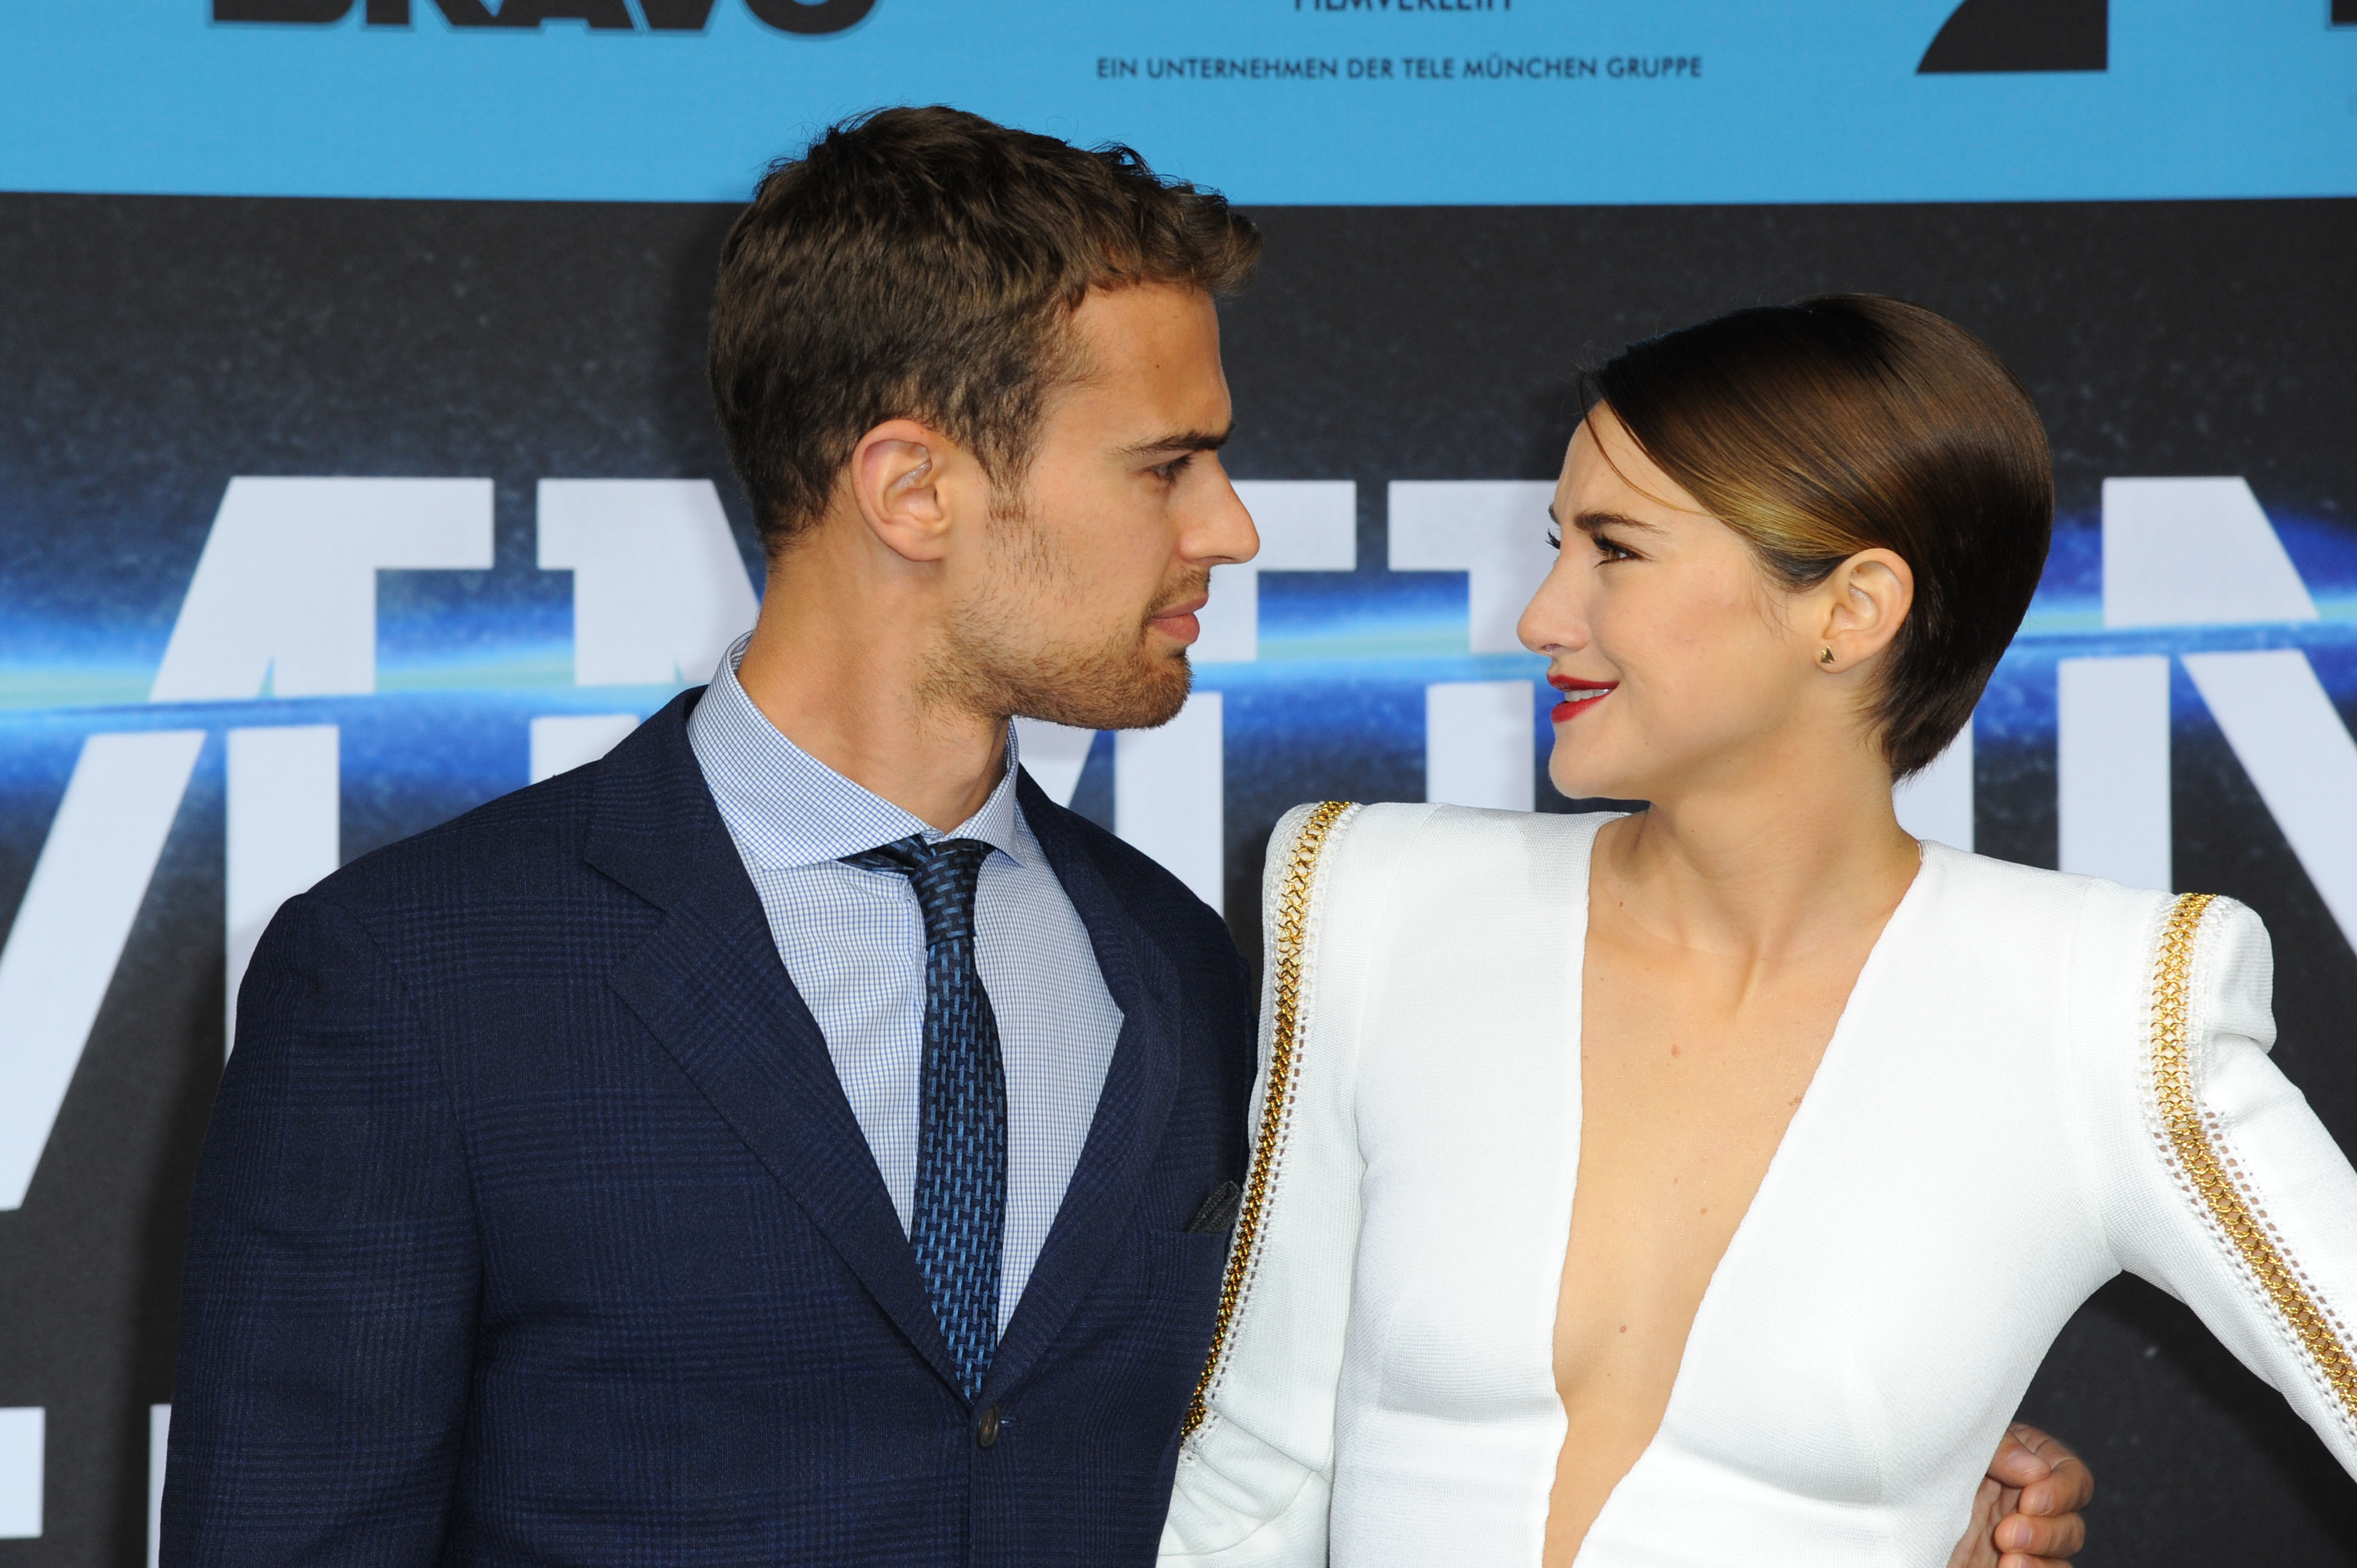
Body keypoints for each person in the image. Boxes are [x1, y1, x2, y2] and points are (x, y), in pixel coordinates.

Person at [161, 107, 2086, 1565]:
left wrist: (1849, 1487)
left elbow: (1369, 1454)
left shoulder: (1187, 971)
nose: (1228, 527)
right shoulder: (415, 978)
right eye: (1168, 463)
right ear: (913, 487)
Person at [1161, 296, 2357, 1567]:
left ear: (1851, 610)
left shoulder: (2105, 1005)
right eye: (1559, 543)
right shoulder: (1378, 900)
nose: (1541, 616)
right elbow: (1255, 1477)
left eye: (1615, 549)